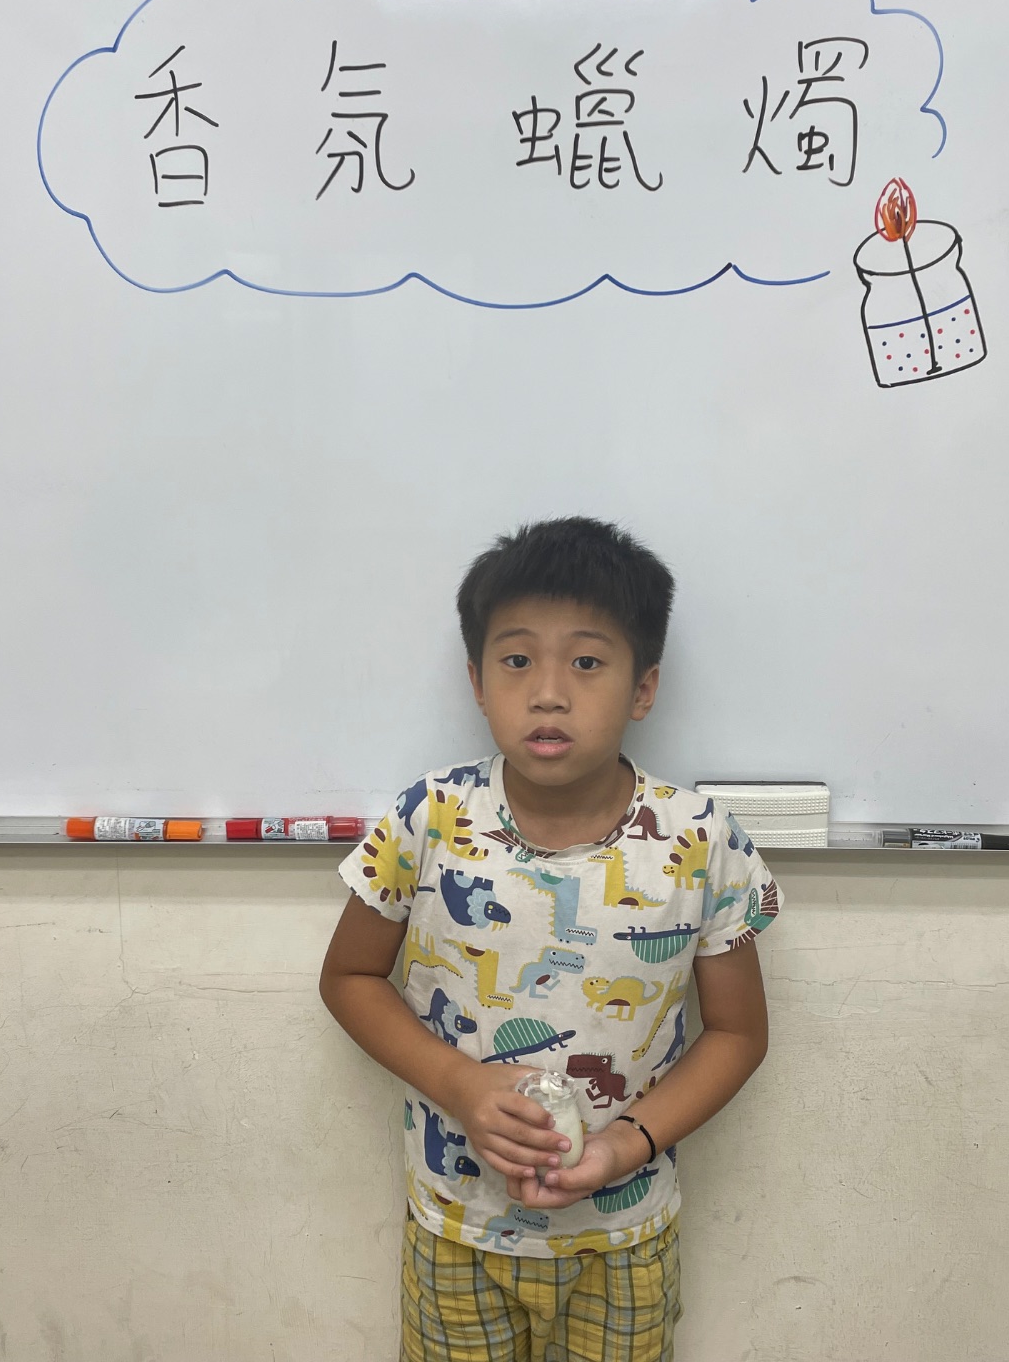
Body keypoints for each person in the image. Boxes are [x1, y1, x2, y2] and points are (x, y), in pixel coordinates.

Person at [320, 517, 783, 1362]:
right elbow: (348, 978)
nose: (548, 693)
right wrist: (461, 1085)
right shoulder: (428, 818)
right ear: (476, 681)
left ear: (644, 688)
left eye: (588, 662)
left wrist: (624, 1147)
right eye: (516, 660)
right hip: (457, 1227)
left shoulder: (701, 839)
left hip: (626, 1236)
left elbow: (739, 1033)